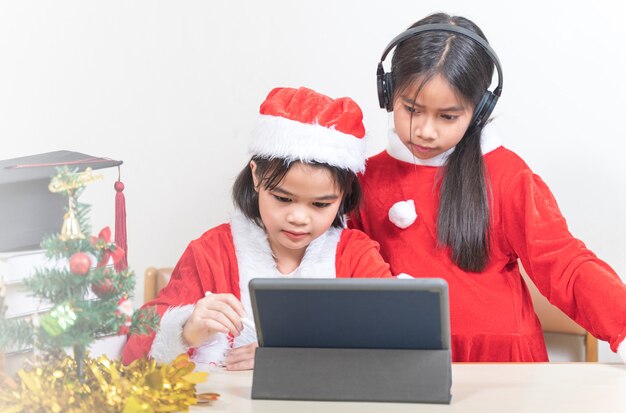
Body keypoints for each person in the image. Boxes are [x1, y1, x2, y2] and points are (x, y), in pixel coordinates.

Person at [350, 12, 626, 362]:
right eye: (412, 109)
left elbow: (565, 264)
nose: (425, 130)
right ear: (388, 92)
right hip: (405, 360)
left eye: (447, 116)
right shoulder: (366, 177)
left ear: (479, 110)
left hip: (504, 363)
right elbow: (337, 265)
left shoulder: (507, 175)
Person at [122, 86, 392, 370]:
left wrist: (290, 358)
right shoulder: (210, 253)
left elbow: (394, 339)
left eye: (320, 205)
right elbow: (134, 351)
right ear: (255, 176)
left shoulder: (357, 256)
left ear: (343, 195)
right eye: (283, 199)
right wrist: (186, 331)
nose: (299, 217)